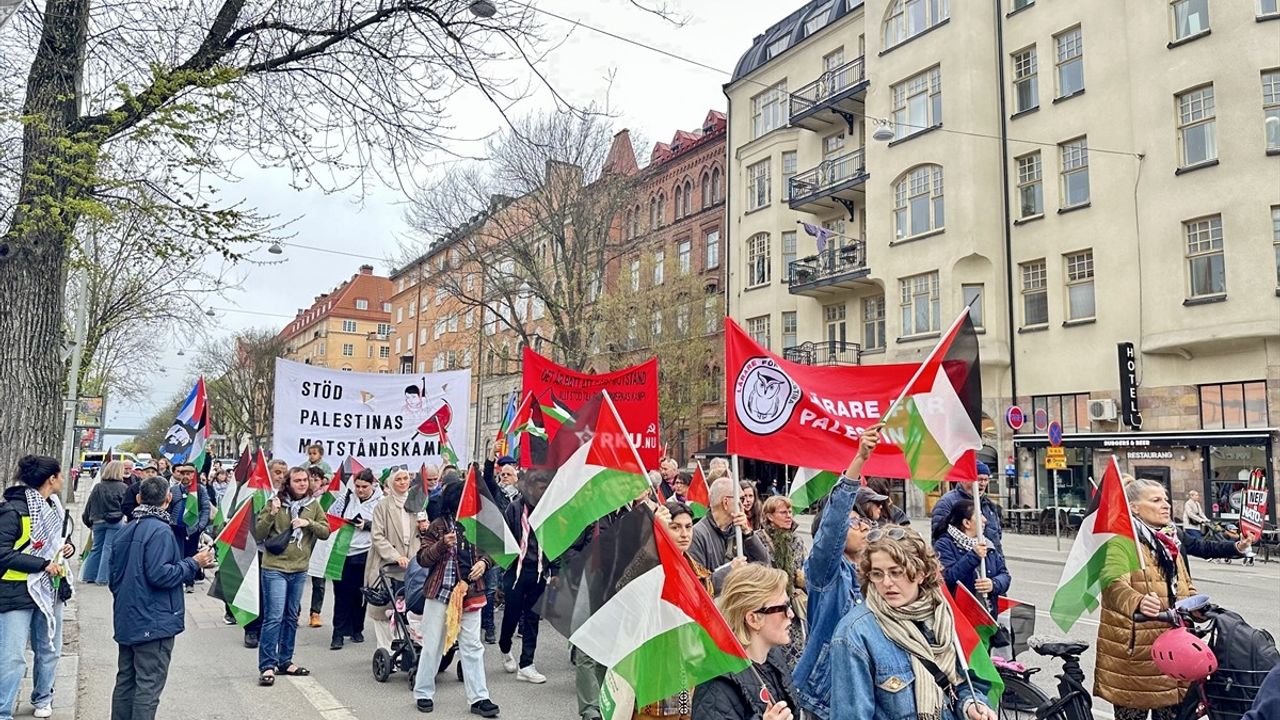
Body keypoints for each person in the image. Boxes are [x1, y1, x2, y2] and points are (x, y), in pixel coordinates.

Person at [1096, 477, 1251, 720]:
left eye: (1166, 499)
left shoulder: (1170, 539)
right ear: (1134, 507)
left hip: (1174, 649)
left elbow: (1183, 584)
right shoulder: (1122, 540)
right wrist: (1137, 600)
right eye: (1156, 500)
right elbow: (1112, 582)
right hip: (1137, 653)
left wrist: (1196, 604)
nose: (1165, 505)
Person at [829, 526, 997, 720]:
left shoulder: (943, 615)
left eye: (896, 572)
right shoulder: (855, 634)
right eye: (877, 574)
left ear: (920, 573)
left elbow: (964, 683)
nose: (887, 583)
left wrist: (969, 706)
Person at [108, 475, 215, 720]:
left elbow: (114, 578)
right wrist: (193, 562)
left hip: (128, 615)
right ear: (168, 499)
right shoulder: (160, 530)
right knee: (148, 684)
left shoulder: (125, 530)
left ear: (138, 499)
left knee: (127, 680)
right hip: (153, 620)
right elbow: (160, 575)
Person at [792, 429, 878, 720]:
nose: (864, 527)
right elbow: (832, 527)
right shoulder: (827, 575)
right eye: (854, 523)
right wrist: (859, 461)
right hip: (826, 692)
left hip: (866, 689)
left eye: (864, 522)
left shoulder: (874, 576)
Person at [411, 480, 500, 717]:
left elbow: (494, 550)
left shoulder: (477, 524)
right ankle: (423, 692)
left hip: (469, 594)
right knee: (432, 645)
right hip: (439, 595)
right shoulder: (438, 526)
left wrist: (484, 562)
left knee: (472, 646)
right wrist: (441, 544)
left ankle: (479, 698)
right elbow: (422, 559)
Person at [0, 456, 74, 720]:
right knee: (12, 656)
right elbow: (2, 553)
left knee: (48, 649)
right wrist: (42, 564)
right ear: (51, 479)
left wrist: (67, 549)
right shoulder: (12, 511)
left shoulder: (54, 507)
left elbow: (58, 543)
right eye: (60, 475)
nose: (63, 479)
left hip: (49, 589)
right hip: (15, 592)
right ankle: (3, 710)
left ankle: (43, 697)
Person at [253, 467, 330, 686]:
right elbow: (258, 533)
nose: (303, 484)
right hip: (275, 567)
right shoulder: (275, 501)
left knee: (290, 617)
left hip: (299, 568)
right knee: (274, 617)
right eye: (297, 480)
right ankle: (267, 665)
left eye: (305, 480)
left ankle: (285, 661)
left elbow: (325, 531)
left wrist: (309, 523)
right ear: (288, 482)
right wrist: (272, 513)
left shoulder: (312, 505)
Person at [691, 564, 798, 720]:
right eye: (783, 608)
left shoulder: (774, 658)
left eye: (789, 605)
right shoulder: (716, 685)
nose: (791, 614)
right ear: (753, 619)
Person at [499, 469, 553, 685]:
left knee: (532, 618)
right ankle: (505, 647)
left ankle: (527, 664)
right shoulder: (514, 508)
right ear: (529, 488)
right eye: (540, 488)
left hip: (539, 570)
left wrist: (555, 569)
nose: (543, 492)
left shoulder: (548, 511)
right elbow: (504, 538)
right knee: (511, 614)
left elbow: (555, 541)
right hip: (516, 571)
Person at [365, 468, 425, 652]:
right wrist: (395, 556)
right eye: (398, 479)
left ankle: (406, 648)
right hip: (388, 563)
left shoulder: (417, 502)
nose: (402, 482)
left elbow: (422, 533)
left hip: (412, 563)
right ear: (391, 483)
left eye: (406, 478)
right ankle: (386, 649)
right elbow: (377, 537)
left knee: (409, 607)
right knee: (384, 608)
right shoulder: (383, 506)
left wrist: (425, 528)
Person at [325, 469, 381, 650]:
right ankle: (338, 634)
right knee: (341, 595)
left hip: (366, 553)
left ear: (372, 485)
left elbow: (385, 527)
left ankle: (357, 628)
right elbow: (330, 516)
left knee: (360, 594)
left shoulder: (380, 502)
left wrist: (367, 525)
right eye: (357, 486)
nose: (360, 490)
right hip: (343, 551)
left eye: (364, 487)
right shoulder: (346, 498)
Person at [934, 499, 1011, 620]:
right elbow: (947, 579)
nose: (985, 520)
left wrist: (993, 584)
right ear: (967, 523)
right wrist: (973, 556)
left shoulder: (987, 544)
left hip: (987, 614)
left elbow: (1005, 575)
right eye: (980, 516)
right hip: (960, 616)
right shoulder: (945, 545)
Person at [759, 495, 808, 669]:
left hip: (792, 609)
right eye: (783, 512)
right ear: (770, 516)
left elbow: (805, 570)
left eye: (790, 512)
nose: (789, 516)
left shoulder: (797, 541)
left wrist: (802, 581)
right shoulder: (759, 541)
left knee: (796, 655)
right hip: (769, 607)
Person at [688, 477, 770, 580]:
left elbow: (765, 565)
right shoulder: (697, 534)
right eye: (741, 499)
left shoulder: (739, 531)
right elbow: (699, 584)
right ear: (725, 502)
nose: (744, 504)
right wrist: (729, 570)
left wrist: (748, 533)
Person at [930, 463, 1003, 550]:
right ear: (964, 480)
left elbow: (997, 537)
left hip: (989, 560)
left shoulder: (989, 504)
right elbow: (939, 537)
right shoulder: (947, 503)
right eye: (979, 479)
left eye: (986, 480)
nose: (983, 483)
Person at [81, 460, 129, 584]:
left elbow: (89, 505)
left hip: (97, 520)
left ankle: (89, 575)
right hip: (116, 521)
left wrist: (88, 521)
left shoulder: (98, 487)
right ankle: (103, 578)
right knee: (108, 548)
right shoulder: (123, 487)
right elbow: (125, 506)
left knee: (96, 547)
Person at [167, 463, 209, 594]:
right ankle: (178, 579)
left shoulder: (200, 490)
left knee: (191, 554)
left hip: (192, 528)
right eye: (183, 473)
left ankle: (189, 581)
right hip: (176, 527)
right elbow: (168, 507)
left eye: (189, 473)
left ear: (194, 475)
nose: (186, 476)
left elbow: (205, 508)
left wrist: (200, 525)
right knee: (177, 554)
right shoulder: (174, 490)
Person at [306, 465, 329, 628]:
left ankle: (315, 612)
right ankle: (295, 612)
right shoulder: (301, 498)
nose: (313, 483)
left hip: (321, 543)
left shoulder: (326, 499)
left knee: (319, 580)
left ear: (322, 482)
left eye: (316, 479)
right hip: (303, 543)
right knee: (297, 579)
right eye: (310, 479)